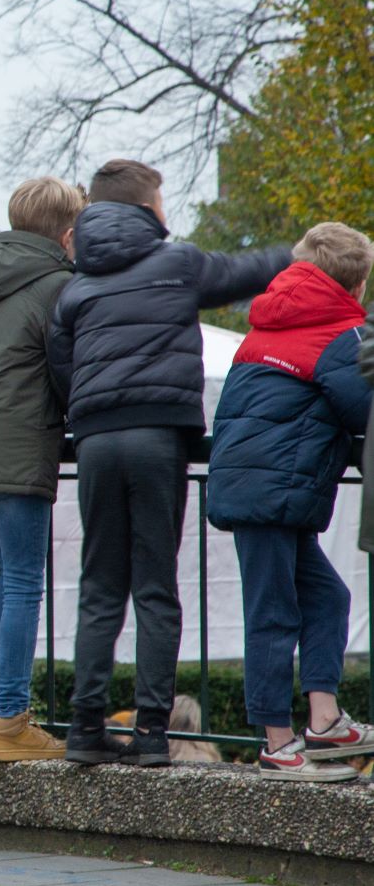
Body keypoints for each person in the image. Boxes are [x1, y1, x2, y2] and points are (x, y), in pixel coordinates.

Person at [48, 158, 292, 766]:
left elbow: (60, 367)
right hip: (158, 436)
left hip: (97, 440)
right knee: (156, 587)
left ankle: (84, 728)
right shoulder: (178, 264)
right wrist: (306, 251)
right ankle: (154, 732)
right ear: (149, 207)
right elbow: (250, 271)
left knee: (100, 585)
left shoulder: (75, 285)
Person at [205, 222, 374, 782]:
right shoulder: (340, 332)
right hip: (274, 490)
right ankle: (278, 745)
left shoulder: (265, 321)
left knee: (326, 597)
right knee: (273, 613)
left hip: (256, 484)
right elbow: (363, 409)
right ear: (358, 282)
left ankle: (324, 722)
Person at [0, 177, 87, 763]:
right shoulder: (57, 285)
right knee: (27, 578)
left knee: (11, 576)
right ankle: (11, 719)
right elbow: (62, 369)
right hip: (16, 439)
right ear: (68, 234)